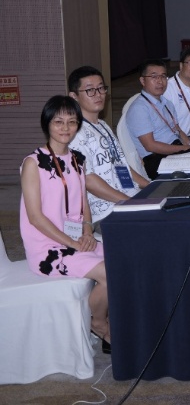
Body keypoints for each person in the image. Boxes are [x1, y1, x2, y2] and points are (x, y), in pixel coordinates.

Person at [20, 95, 110, 347]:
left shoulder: (77, 159)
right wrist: (73, 242)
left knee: (124, 260)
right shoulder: (33, 163)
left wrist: (88, 232)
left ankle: (106, 312)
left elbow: (83, 204)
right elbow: (36, 218)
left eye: (72, 122)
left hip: (77, 239)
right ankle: (98, 323)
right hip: (48, 248)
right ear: (47, 124)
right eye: (58, 122)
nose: (65, 128)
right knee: (109, 273)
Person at [68, 66, 150, 224]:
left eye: (101, 88)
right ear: (74, 96)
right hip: (105, 213)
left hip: (126, 199)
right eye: (90, 90)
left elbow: (121, 164)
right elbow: (88, 180)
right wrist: (129, 202)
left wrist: (150, 186)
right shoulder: (75, 133)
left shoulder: (103, 125)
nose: (98, 94)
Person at [125, 59, 190, 179]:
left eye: (163, 76)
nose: (160, 81)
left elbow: (177, 129)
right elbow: (150, 146)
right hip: (157, 159)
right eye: (154, 77)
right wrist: (183, 149)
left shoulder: (166, 103)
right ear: (142, 80)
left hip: (175, 150)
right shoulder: (139, 108)